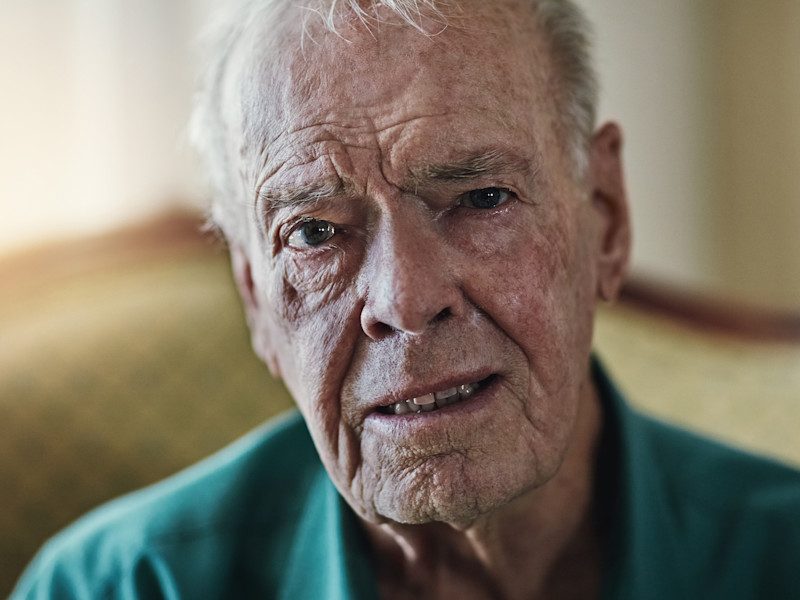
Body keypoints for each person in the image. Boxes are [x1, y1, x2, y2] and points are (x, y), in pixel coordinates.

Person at [11, 0, 800, 598]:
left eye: (482, 198)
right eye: (315, 234)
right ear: (255, 299)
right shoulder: (119, 585)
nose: (405, 299)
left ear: (606, 219)